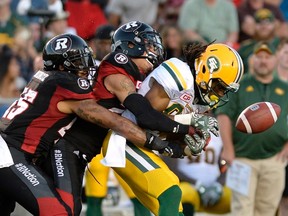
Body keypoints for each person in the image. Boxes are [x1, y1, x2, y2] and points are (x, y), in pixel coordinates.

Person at [0, 33, 176, 215]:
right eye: (78, 61)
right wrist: (154, 142)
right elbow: (111, 120)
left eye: (86, 58)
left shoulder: (49, 78)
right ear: (62, 65)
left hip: (14, 151)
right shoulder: (65, 83)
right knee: (58, 212)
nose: (86, 67)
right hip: (11, 154)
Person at [47, 21, 211, 216]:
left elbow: (149, 121)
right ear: (131, 46)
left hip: (88, 146)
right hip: (67, 143)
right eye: (148, 44)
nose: (154, 50)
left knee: (70, 208)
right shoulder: (117, 70)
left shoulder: (135, 76)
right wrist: (188, 125)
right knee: (63, 209)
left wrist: (179, 144)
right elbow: (146, 117)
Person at [99, 39, 244, 216]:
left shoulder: (200, 100)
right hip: (125, 142)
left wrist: (189, 147)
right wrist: (189, 121)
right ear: (206, 70)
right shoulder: (180, 73)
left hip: (144, 145)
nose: (219, 94)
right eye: (219, 87)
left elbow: (169, 134)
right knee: (171, 191)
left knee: (174, 209)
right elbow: (147, 117)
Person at [84, 23, 150, 216]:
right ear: (95, 43)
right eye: (102, 42)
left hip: (122, 135)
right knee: (96, 185)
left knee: (137, 190)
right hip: (97, 133)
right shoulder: (89, 65)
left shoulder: (133, 66)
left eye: (108, 42)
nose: (106, 47)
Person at [215, 41, 288, 216]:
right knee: (242, 209)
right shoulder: (237, 87)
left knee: (267, 209)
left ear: (275, 59)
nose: (263, 61)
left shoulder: (285, 89)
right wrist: (228, 148)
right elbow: (223, 116)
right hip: (242, 158)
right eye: (259, 56)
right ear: (252, 60)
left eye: (267, 57)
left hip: (274, 159)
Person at [163, 133, 231, 215]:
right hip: (189, 186)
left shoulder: (218, 135)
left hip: (212, 190)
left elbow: (226, 165)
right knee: (184, 194)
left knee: (234, 197)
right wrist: (197, 184)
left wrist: (218, 185)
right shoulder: (178, 132)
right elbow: (170, 167)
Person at [238, 8, 280, 74]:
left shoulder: (282, 46)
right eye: (259, 23)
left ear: (274, 25)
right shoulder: (245, 48)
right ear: (254, 25)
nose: (264, 26)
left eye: (267, 23)